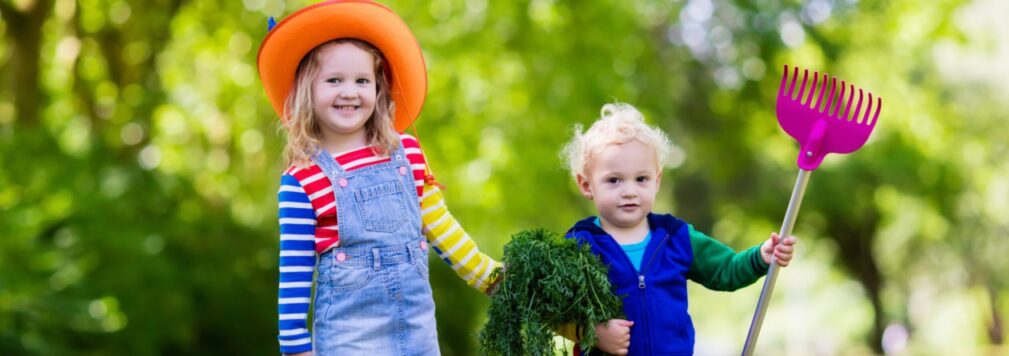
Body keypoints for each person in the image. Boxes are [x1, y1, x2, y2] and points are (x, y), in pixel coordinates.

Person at [257, 1, 500, 354]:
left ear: (379, 88)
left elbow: (439, 226)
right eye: (334, 80)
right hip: (349, 341)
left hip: (418, 335)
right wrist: (295, 345)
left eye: (362, 80)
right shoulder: (302, 181)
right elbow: (295, 270)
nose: (349, 91)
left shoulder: (408, 153)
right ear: (307, 90)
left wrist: (490, 277)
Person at [557, 103, 797, 355]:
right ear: (586, 185)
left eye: (641, 179)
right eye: (614, 180)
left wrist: (761, 256)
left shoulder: (676, 237)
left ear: (657, 180)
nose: (629, 191)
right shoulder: (579, 245)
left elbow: (727, 269)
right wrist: (590, 333)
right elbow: (551, 310)